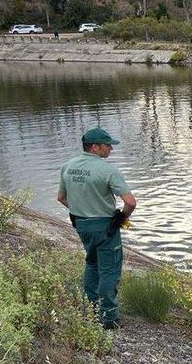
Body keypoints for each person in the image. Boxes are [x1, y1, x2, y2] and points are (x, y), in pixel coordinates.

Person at [57, 128, 136, 330]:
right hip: (105, 227)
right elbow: (130, 202)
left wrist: (80, 211)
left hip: (81, 225)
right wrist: (121, 218)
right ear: (95, 147)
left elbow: (61, 198)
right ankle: (109, 317)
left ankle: (89, 308)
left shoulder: (68, 166)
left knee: (92, 263)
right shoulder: (107, 170)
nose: (110, 148)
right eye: (107, 144)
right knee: (109, 270)